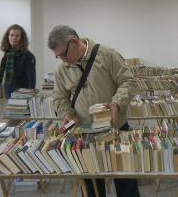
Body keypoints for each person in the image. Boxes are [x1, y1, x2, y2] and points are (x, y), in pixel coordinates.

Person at [48, 25, 140, 197]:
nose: (63, 60)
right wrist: (66, 114)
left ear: (74, 42)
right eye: (58, 57)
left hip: (116, 130)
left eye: (63, 55)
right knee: (91, 188)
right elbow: (60, 97)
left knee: (126, 182)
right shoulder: (61, 70)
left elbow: (128, 82)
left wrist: (117, 103)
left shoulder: (107, 55)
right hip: (85, 135)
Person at [0, 24, 36, 98]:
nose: (14, 38)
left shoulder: (28, 56)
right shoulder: (7, 54)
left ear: (22, 38)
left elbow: (31, 79)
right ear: (7, 37)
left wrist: (31, 95)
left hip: (22, 93)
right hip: (9, 91)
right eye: (12, 35)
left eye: (17, 36)